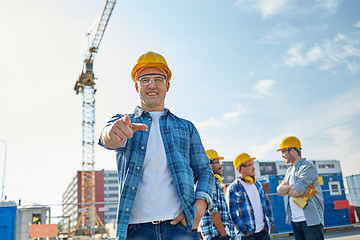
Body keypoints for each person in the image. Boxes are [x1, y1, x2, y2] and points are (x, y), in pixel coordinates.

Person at [98, 51, 214, 240]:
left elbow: (204, 171)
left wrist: (199, 209)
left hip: (180, 228)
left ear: (167, 85)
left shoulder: (186, 128)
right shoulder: (124, 122)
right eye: (144, 79)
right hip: (137, 231)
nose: (151, 85)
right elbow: (108, 137)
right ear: (137, 86)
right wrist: (112, 133)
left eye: (158, 79)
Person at [276, 136, 324, 240]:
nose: (282, 155)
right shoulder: (289, 171)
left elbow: (296, 192)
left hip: (310, 220)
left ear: (292, 151)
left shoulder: (307, 168)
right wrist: (293, 186)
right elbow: (279, 191)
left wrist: (290, 189)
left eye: (283, 151)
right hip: (295, 220)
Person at [226, 153, 273, 240]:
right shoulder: (233, 188)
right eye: (251, 165)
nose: (254, 167)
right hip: (247, 235)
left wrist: (268, 223)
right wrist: (245, 232)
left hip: (263, 232)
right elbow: (231, 213)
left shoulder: (258, 185)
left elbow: (267, 205)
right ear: (242, 168)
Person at [199, 149, 235, 240]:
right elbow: (213, 211)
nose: (220, 166)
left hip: (220, 235)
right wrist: (224, 235)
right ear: (209, 163)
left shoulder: (214, 183)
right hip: (217, 236)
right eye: (217, 162)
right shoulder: (209, 182)